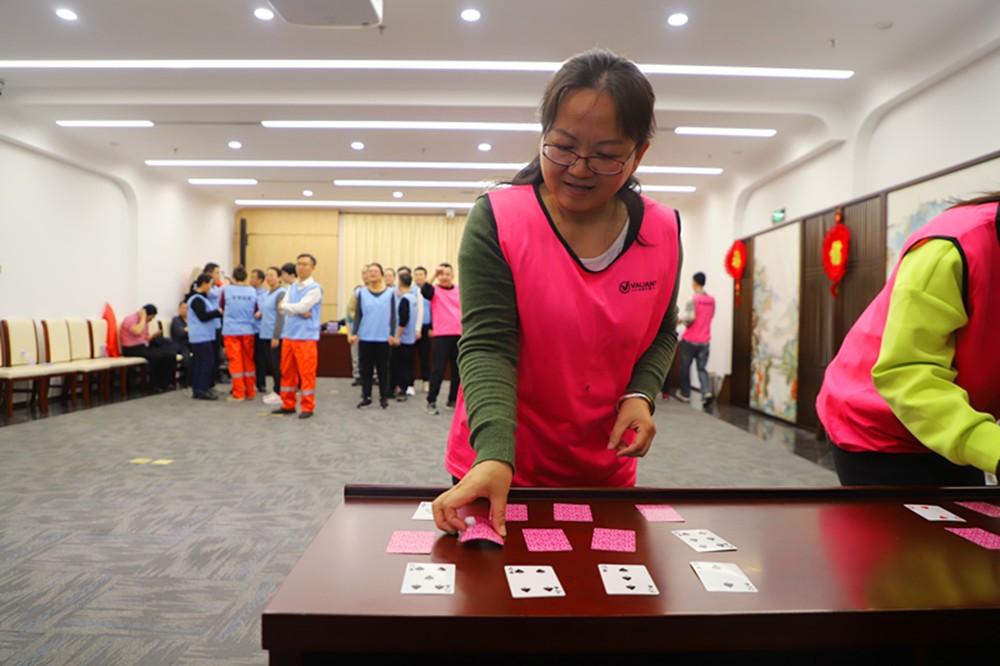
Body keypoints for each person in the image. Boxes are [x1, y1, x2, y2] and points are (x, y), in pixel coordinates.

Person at [432, 49, 682, 537]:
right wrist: (494, 453)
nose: (579, 169)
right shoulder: (499, 219)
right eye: (563, 147)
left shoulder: (662, 230)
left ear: (639, 154)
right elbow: (487, 345)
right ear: (542, 135)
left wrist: (640, 394)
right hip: (499, 463)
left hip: (603, 465)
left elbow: (662, 331)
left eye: (606, 155)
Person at [816, 193, 1000, 486]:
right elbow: (905, 371)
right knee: (910, 518)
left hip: (956, 417)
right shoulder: (955, 245)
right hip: (878, 424)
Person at [274, 253, 323, 419]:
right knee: (287, 372)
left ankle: (307, 407)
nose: (301, 267)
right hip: (289, 335)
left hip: (306, 338)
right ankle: (287, 404)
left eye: (305, 264)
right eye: (299, 264)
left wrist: (290, 307)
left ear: (313, 268)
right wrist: (295, 309)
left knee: (306, 374)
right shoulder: (292, 287)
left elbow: (301, 307)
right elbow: (284, 308)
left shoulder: (315, 288)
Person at [349, 263, 397, 409]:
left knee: (383, 368)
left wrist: (392, 334)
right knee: (366, 369)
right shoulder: (361, 293)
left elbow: (393, 316)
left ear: (381, 274)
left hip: (383, 337)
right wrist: (354, 333)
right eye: (370, 271)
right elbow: (358, 314)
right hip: (365, 336)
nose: (372, 274)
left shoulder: (390, 293)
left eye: (376, 271)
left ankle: (383, 396)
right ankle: (366, 396)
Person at [423, 263, 462, 415]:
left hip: (458, 335)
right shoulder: (435, 291)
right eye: (442, 274)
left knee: (457, 371)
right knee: (437, 370)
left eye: (447, 274)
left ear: (453, 276)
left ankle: (452, 399)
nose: (445, 277)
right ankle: (431, 400)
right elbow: (424, 290)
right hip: (441, 336)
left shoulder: (459, 290)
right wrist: (434, 274)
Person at [673, 272, 716, 406]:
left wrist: (680, 321)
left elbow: (690, 318)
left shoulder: (692, 298)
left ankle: (685, 393)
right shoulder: (711, 300)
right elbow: (710, 316)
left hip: (690, 339)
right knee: (701, 368)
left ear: (695, 282)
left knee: (685, 366)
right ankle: (706, 392)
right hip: (705, 340)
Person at [119, 303, 177, 393]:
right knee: (156, 356)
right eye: (151, 317)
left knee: (169, 354)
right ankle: (154, 385)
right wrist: (143, 318)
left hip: (142, 346)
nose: (151, 320)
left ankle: (166, 383)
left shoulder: (145, 322)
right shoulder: (130, 319)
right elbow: (137, 331)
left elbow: (145, 338)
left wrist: (153, 336)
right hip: (130, 348)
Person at [220, 266, 258, 402]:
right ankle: (250, 391)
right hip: (248, 330)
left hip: (231, 330)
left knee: (235, 362)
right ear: (246, 277)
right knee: (248, 361)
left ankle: (238, 393)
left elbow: (221, 307)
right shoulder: (253, 291)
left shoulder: (227, 290)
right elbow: (256, 309)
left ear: (233, 277)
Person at [186, 273, 223, 400]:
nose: (211, 289)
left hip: (204, 335)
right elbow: (203, 316)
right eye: (210, 285)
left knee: (200, 362)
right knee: (207, 362)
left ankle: (198, 388)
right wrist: (217, 312)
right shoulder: (196, 299)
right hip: (200, 336)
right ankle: (202, 388)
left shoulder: (202, 298)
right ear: (204, 284)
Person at [257, 266, 287, 404]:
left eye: (272, 275)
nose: (269, 278)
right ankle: (276, 390)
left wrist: (276, 336)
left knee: (277, 365)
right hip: (265, 334)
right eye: (267, 275)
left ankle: (281, 392)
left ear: (279, 277)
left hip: (275, 336)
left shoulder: (281, 293)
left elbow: (281, 316)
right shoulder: (268, 293)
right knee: (271, 365)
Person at [391, 270, 419, 401]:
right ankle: (405, 387)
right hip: (411, 338)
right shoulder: (413, 297)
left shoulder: (404, 299)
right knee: (407, 364)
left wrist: (397, 336)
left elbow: (403, 319)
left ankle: (401, 389)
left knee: (400, 365)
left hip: (403, 337)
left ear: (400, 282)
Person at [413, 266, 433, 392]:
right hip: (412, 328)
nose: (418, 277)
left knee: (425, 356)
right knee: (410, 357)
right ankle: (409, 383)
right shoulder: (411, 290)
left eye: (421, 274)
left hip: (426, 327)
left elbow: (433, 309)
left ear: (425, 276)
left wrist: (431, 327)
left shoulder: (429, 291)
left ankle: (426, 381)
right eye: (416, 274)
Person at [250, 268, 269, 395]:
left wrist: (260, 312)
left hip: (259, 330)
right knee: (247, 358)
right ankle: (246, 383)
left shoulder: (266, 295)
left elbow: (266, 309)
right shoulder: (248, 293)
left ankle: (261, 383)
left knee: (260, 358)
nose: (251, 280)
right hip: (248, 329)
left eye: (253, 277)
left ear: (260, 280)